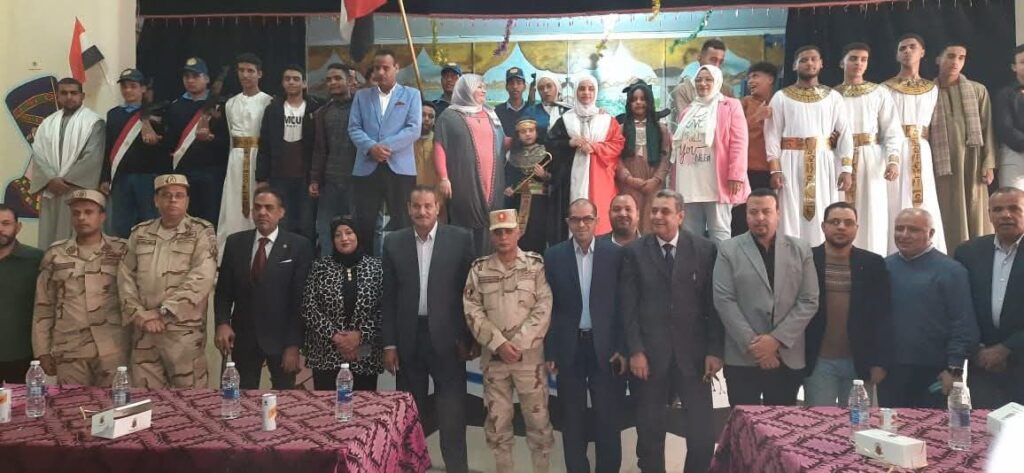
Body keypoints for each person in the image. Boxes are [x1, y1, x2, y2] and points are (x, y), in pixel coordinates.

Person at [621, 190, 721, 472]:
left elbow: (713, 306)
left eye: (664, 211)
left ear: (680, 215)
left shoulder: (705, 249)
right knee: (649, 433)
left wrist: (715, 350)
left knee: (702, 435)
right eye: (654, 210)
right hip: (650, 358)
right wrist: (636, 351)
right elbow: (628, 308)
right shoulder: (634, 252)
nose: (657, 216)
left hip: (694, 358)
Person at [381, 186, 476, 473]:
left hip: (449, 342)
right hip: (408, 341)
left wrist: (468, 338)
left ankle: (457, 468)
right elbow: (388, 296)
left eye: (428, 206)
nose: (422, 211)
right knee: (409, 418)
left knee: (452, 418)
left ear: (438, 208)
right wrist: (389, 344)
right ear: (408, 208)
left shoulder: (460, 238)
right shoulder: (393, 242)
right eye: (416, 206)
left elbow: (470, 293)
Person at [464, 209, 554, 473]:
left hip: (529, 361)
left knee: (539, 425)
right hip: (495, 361)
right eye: (498, 232)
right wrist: (499, 344)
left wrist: (519, 344)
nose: (503, 236)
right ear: (491, 236)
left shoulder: (535, 266)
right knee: (497, 425)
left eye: (508, 231)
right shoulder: (479, 269)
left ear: (518, 232)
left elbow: (544, 307)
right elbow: (472, 310)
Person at [714, 188, 819, 406]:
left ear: (778, 213)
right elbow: (724, 300)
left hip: (786, 355)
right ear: (746, 215)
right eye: (753, 212)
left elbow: (809, 300)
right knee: (742, 423)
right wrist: (758, 348)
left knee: (782, 423)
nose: (760, 217)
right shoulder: (728, 249)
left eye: (766, 211)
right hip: (743, 357)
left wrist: (775, 341)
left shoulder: (800, 249)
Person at [544, 199, 625, 473]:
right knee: (572, 420)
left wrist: (621, 347)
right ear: (568, 222)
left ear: (596, 221)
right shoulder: (553, 256)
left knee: (608, 419)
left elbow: (623, 306)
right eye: (575, 219)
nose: (581, 224)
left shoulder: (615, 255)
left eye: (587, 219)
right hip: (570, 349)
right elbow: (549, 307)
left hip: (606, 349)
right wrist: (551, 351)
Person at [118, 174, 217, 388]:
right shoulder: (140, 232)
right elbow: (125, 278)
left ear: (187, 201)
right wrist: (139, 314)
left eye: (179, 195)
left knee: (190, 400)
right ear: (156, 200)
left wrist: (162, 313)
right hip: (144, 332)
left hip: (183, 335)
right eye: (166, 195)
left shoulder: (201, 231)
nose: (173, 200)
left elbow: (202, 278)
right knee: (145, 399)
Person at [214, 188, 313, 389]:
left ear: (281, 212)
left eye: (269, 208)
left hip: (281, 340)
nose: (262, 212)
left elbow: (300, 300)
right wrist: (222, 323)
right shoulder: (235, 243)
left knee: (284, 399)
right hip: (244, 338)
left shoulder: (298, 246)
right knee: (241, 397)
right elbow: (223, 292)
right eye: (257, 207)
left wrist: (293, 345)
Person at [881, 208, 978, 408]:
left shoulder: (951, 271)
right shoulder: (884, 267)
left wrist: (954, 368)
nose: (904, 235)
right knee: (890, 425)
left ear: (931, 233)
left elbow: (963, 322)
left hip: (935, 371)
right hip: (890, 370)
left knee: (929, 426)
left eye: (913, 230)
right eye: (899, 229)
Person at [32, 190, 129, 386]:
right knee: (72, 403)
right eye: (76, 213)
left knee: (114, 403)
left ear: (102, 216)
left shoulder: (122, 250)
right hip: (70, 349)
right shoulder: (56, 253)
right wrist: (42, 351)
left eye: (88, 212)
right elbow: (43, 305)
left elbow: (133, 297)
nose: (82, 217)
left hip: (112, 348)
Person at [803, 202, 893, 406]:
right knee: (819, 421)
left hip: (860, 361)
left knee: (858, 422)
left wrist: (880, 362)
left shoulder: (872, 263)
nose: (841, 227)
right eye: (835, 222)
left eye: (848, 223)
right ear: (823, 226)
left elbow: (883, 315)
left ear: (856, 228)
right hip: (818, 361)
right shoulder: (807, 259)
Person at [765, 46, 853, 246]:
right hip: (790, 161)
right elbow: (772, 134)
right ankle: (791, 255)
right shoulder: (781, 97)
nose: (809, 63)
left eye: (814, 59)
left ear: (821, 64)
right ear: (795, 65)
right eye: (804, 60)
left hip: (823, 162)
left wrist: (846, 168)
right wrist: (775, 170)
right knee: (790, 211)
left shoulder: (833, 97)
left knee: (824, 208)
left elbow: (845, 133)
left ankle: (822, 254)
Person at [954, 187, 1024, 407]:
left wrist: (1006, 348)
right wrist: (978, 349)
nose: (1005, 215)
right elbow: (961, 307)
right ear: (989, 214)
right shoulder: (968, 252)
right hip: (983, 365)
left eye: (1014, 208)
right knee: (984, 425)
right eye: (998, 209)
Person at [348, 49, 422, 253]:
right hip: (366, 167)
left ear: (396, 68)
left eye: (386, 68)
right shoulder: (362, 96)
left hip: (400, 168)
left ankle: (401, 264)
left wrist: (384, 147)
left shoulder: (411, 95)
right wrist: (371, 147)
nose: (380, 72)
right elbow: (354, 127)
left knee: (403, 222)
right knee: (364, 222)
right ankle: (366, 266)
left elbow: (413, 129)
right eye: (377, 68)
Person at [834, 43, 904, 256]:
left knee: (872, 212)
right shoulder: (832, 95)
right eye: (853, 58)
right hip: (839, 158)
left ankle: (873, 258)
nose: (858, 63)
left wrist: (893, 160)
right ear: (842, 62)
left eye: (863, 59)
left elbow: (892, 130)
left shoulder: (879, 92)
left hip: (871, 157)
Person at [301, 215, 383, 391]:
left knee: (363, 406)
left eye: (349, 232)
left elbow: (383, 309)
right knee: (327, 406)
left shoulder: (376, 268)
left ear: (358, 235)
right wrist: (337, 337)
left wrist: (359, 336)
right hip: (326, 353)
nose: (344, 238)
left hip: (363, 354)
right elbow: (309, 307)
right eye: (337, 235)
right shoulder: (319, 267)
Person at [882, 34, 948, 254]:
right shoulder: (885, 88)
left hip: (921, 147)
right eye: (902, 48)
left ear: (922, 52)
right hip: (894, 149)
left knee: (923, 197)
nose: (907, 51)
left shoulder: (932, 88)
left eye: (912, 47)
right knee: (893, 198)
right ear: (896, 55)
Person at [672, 64, 750, 242]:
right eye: (699, 80)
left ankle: (722, 262)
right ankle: (695, 262)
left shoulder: (730, 105)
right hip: (689, 181)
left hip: (716, 180)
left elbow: (739, 141)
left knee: (719, 231)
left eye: (708, 79)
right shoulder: (688, 111)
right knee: (690, 234)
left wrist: (736, 175)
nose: (703, 83)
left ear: (718, 82)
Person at [434, 74, 507, 255]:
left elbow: (503, 142)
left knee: (492, 223)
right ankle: (465, 267)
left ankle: (488, 267)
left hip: (493, 180)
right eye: (479, 87)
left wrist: (523, 138)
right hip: (463, 180)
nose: (484, 90)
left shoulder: (491, 114)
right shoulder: (449, 116)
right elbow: (440, 146)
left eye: (484, 87)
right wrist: (443, 178)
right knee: (465, 222)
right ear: (466, 89)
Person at [933, 42, 996, 248]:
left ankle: (978, 253)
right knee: (947, 210)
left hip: (973, 161)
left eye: (961, 58)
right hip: (942, 163)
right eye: (950, 56)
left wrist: (989, 163)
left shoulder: (978, 90)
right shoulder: (927, 91)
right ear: (938, 59)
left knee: (975, 210)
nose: (956, 62)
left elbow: (987, 128)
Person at [29, 77, 105, 249]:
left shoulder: (94, 122)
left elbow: (93, 156)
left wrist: (66, 181)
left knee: (79, 238)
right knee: (49, 238)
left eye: (73, 93)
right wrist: (51, 179)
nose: (69, 97)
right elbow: (38, 154)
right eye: (64, 93)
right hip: (52, 190)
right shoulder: (47, 123)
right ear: (57, 96)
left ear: (82, 96)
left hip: (77, 190)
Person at [548, 75, 625, 239]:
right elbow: (551, 144)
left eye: (591, 89)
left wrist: (595, 147)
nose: (586, 93)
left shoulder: (607, 120)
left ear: (596, 92)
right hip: (570, 181)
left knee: (600, 220)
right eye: (582, 89)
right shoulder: (565, 120)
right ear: (576, 91)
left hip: (600, 179)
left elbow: (617, 144)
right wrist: (569, 143)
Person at [100, 68, 168, 238]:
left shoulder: (157, 113)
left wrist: (155, 141)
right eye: (124, 86)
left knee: (149, 223)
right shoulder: (114, 114)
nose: (128, 90)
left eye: (133, 86)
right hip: (121, 178)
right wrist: (105, 178)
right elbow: (108, 147)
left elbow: (166, 146)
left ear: (143, 88)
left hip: (147, 176)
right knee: (120, 224)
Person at [256, 64, 321, 238]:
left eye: (296, 79)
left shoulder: (315, 108)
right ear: (282, 83)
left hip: (306, 176)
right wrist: (261, 177)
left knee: (306, 223)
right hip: (279, 175)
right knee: (282, 221)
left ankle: (306, 255)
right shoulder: (273, 109)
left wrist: (317, 177)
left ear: (304, 83)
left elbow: (320, 145)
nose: (291, 82)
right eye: (287, 79)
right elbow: (264, 144)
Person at [218, 53, 274, 253]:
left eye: (250, 71)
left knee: (257, 201)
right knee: (233, 203)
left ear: (259, 74)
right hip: (236, 160)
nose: (245, 75)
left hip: (258, 157)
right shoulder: (231, 103)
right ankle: (230, 252)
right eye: (241, 70)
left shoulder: (268, 101)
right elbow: (230, 136)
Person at [164, 57, 229, 227]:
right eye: (187, 76)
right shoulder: (175, 107)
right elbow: (170, 142)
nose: (190, 80)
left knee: (209, 220)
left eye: (195, 76)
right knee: (183, 220)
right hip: (183, 172)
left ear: (206, 79)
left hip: (211, 172)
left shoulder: (220, 106)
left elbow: (227, 141)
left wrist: (211, 138)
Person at [311, 63, 357, 257]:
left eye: (338, 78)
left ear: (349, 80)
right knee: (325, 230)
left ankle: (356, 272)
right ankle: (328, 270)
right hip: (329, 181)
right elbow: (319, 149)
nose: (333, 82)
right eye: (329, 79)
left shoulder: (361, 108)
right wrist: (315, 179)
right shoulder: (323, 112)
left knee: (356, 230)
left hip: (357, 181)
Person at [616, 81, 670, 234]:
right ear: (629, 103)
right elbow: (616, 158)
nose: (638, 102)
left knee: (651, 222)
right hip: (629, 183)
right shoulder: (621, 129)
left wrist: (656, 180)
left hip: (653, 183)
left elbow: (666, 157)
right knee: (630, 220)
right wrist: (629, 179)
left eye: (643, 99)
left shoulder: (661, 129)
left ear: (649, 101)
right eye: (634, 99)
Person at [0, 204, 44, 384]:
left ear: (18, 227)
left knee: (22, 401)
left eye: (6, 223)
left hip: (22, 354)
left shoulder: (36, 259)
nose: (0, 229)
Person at [733, 62, 778, 236]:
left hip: (773, 172)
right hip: (746, 172)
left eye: (755, 76)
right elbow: (732, 134)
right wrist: (756, 117)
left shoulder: (780, 102)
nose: (751, 81)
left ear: (770, 79)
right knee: (741, 218)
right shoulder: (743, 103)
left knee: (768, 218)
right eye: (749, 77)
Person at [504, 117, 551, 252]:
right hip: (517, 202)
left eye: (531, 130)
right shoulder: (512, 154)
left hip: (540, 203)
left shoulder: (546, 152)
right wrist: (508, 188)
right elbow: (508, 177)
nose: (528, 134)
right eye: (523, 131)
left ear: (536, 132)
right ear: (518, 135)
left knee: (537, 235)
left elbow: (556, 179)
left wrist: (544, 175)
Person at [673, 38, 731, 113]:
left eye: (720, 62)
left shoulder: (726, 89)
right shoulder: (684, 90)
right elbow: (686, 118)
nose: (717, 66)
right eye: (713, 60)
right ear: (700, 58)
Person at [995, 45, 1024, 191]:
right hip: (1014, 154)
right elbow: (1005, 128)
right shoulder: (1005, 94)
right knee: (1013, 199)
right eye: (1023, 62)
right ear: (1014, 67)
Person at [495, 67, 528, 137]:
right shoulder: (497, 111)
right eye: (511, 83)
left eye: (519, 83)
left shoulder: (531, 110)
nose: (515, 86)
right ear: (506, 87)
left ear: (524, 87)